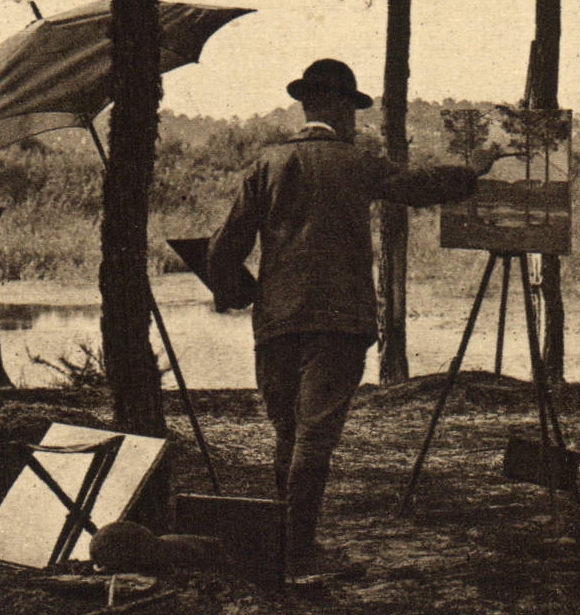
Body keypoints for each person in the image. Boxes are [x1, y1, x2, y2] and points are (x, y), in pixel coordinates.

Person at [207, 58, 492, 573]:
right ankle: (298, 552)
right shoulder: (355, 163)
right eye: (353, 109)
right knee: (315, 434)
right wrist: (473, 170)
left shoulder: (265, 164)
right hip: (339, 320)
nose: (354, 120)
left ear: (305, 105)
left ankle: (286, 548)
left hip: (276, 321)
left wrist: (238, 293)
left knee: (287, 432)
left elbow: (223, 250)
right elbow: (420, 186)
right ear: (339, 108)